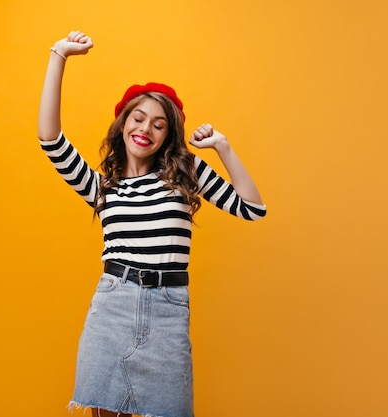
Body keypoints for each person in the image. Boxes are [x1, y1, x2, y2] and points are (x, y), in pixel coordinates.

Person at [37, 31, 266, 417]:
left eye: (159, 124)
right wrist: (59, 54)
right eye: (138, 118)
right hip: (113, 305)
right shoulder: (101, 187)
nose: (145, 129)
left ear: (167, 135)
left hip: (168, 309)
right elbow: (50, 138)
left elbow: (252, 207)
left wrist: (222, 147)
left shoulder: (185, 174)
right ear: (123, 124)